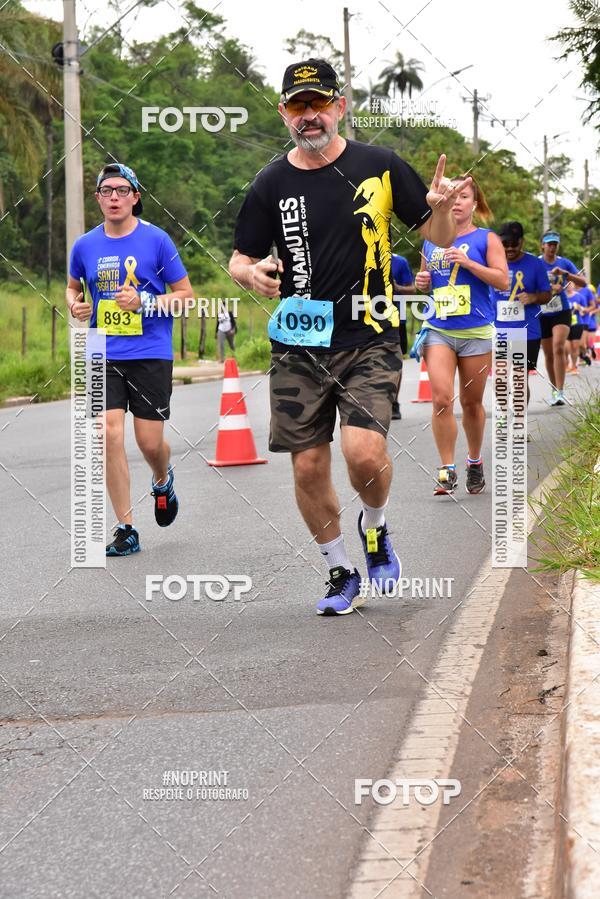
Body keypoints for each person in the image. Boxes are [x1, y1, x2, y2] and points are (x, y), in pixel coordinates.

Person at [229, 58, 469, 615]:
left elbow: (430, 233)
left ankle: (375, 527)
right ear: (285, 113)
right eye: (297, 106)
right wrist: (248, 273)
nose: (309, 115)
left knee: (364, 453)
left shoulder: (380, 164)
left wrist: (436, 211)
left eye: (319, 103)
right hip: (298, 343)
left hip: (371, 333)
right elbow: (240, 256)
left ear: (339, 106)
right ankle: (339, 569)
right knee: (308, 465)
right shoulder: (271, 181)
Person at [67, 162, 193, 556]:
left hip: (150, 352)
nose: (114, 197)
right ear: (98, 199)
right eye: (107, 191)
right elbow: (73, 290)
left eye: (122, 190)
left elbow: (186, 296)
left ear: (136, 197)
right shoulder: (84, 245)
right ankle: (126, 528)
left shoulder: (157, 241)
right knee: (108, 433)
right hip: (102, 349)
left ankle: (161, 479)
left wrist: (145, 301)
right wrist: (77, 307)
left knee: (149, 442)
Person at [415, 175, 509, 496]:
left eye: (463, 196)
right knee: (441, 399)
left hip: (476, 332)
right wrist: (422, 282)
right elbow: (424, 280)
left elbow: (502, 281)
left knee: (471, 403)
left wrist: (469, 263)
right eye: (450, 194)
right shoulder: (430, 238)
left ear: (474, 203)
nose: (456, 201)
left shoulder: (487, 239)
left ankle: (473, 461)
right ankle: (446, 468)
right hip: (439, 329)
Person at [491, 221, 551, 404]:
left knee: (519, 378)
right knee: (500, 377)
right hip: (499, 330)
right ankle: (503, 414)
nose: (509, 248)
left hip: (527, 332)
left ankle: (519, 419)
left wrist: (533, 297)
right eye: (505, 244)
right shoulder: (491, 263)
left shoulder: (535, 264)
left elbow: (547, 295)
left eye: (514, 244)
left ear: (522, 242)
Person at [537, 230, 586, 405]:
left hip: (561, 311)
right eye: (549, 244)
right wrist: (547, 291)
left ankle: (561, 391)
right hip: (542, 313)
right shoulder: (535, 263)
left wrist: (566, 274)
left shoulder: (564, 263)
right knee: (549, 354)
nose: (552, 247)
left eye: (555, 244)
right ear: (542, 245)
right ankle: (554, 389)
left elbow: (583, 282)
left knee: (558, 347)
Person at [390, 253, 414, 420]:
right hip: (367, 320)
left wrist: (396, 288)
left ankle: (394, 403)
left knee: (395, 362)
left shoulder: (399, 262)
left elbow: (412, 289)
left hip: (397, 320)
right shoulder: (361, 256)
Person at [566, 282, 585, 374]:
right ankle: (567, 364)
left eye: (570, 284)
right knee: (567, 347)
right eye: (567, 284)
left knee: (575, 346)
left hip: (577, 324)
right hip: (565, 324)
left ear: (573, 285)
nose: (569, 286)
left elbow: (584, 312)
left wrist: (579, 308)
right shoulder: (562, 297)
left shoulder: (579, 296)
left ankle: (574, 366)